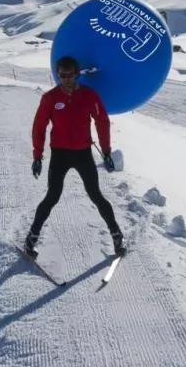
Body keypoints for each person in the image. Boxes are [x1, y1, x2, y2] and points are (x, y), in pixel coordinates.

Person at [25, 55, 124, 258]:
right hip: (59, 154)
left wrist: (106, 151)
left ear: (77, 74)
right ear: (57, 75)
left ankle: (117, 236)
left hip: (83, 153)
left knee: (95, 195)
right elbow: (39, 127)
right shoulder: (50, 98)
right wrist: (37, 156)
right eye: (62, 75)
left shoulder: (89, 95)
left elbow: (102, 121)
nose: (66, 80)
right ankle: (31, 238)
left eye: (70, 75)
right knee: (52, 197)